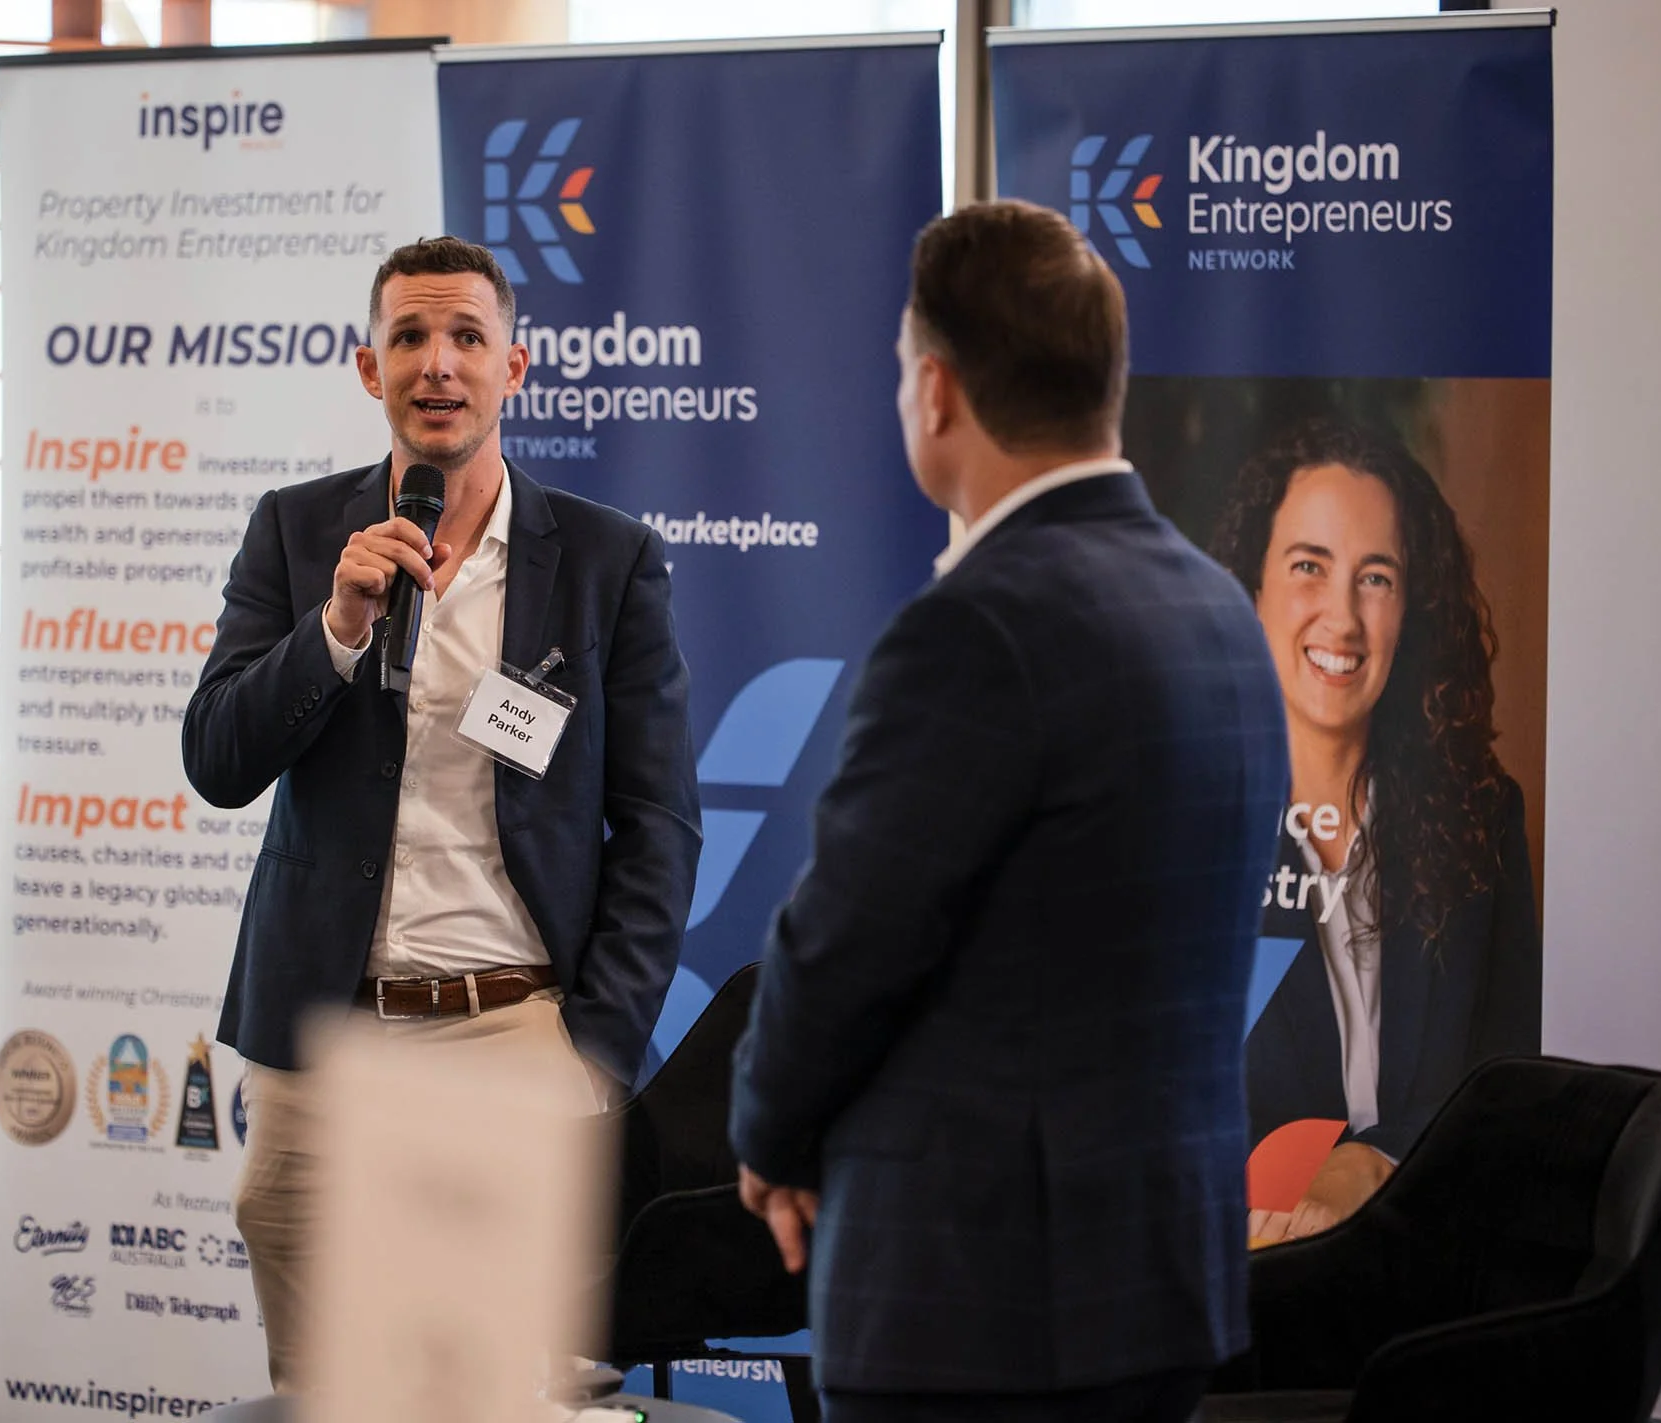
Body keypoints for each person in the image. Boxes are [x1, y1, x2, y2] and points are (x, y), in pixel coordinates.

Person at [728, 200, 1290, 1423]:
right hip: (1158, 1285)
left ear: (935, 391)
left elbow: (843, 942)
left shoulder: (976, 625)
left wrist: (767, 1138)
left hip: (980, 1303)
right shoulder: (1217, 608)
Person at [181, 236, 702, 1390]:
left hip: (507, 1031)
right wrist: (335, 629)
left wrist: (593, 1053)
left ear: (514, 368)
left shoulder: (606, 563)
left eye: (467, 336)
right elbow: (217, 758)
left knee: (478, 1392)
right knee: (325, 1391)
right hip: (325, 1035)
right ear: (369, 370)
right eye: (409, 337)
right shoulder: (296, 531)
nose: (438, 364)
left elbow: (658, 827)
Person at [1212, 418, 1540, 1243]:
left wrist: (1370, 1163)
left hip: (1439, 1300)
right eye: (1308, 568)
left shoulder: (1482, 821)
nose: (1343, 617)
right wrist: (1294, 1180)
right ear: (1250, 595)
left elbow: (1510, 1099)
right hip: (1248, 1327)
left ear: (1411, 609)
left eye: (1377, 578)